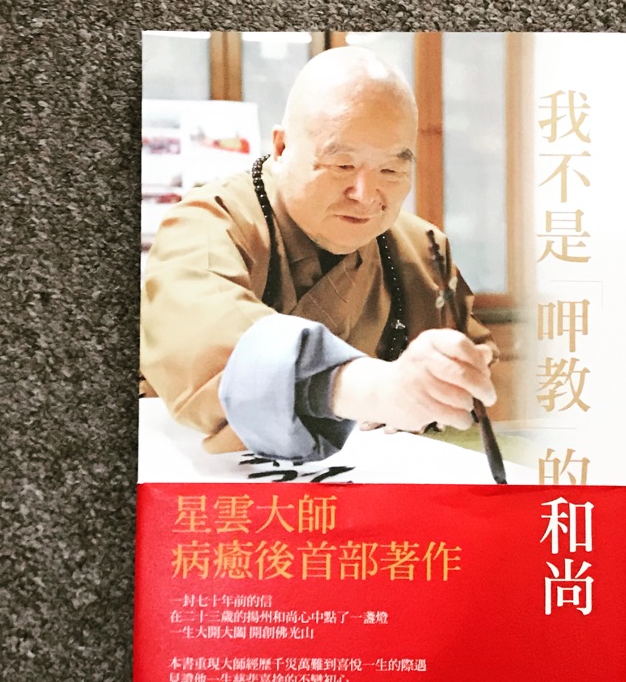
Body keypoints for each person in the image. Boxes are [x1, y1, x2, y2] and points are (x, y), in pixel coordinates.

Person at [140, 46, 497, 463]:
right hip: (199, 478)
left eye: (391, 170)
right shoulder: (211, 221)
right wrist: (372, 389)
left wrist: (447, 381)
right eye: (342, 165)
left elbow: (474, 368)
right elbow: (201, 330)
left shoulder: (420, 249)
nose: (365, 195)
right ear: (281, 147)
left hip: (360, 485)